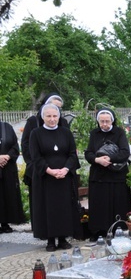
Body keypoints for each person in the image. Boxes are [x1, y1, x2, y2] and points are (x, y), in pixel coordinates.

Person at [28, 103, 80, 251]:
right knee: (48, 208)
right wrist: (49, 170)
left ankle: (63, 238)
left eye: (54, 116)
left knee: (63, 208)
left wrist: (65, 169)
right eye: (48, 116)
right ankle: (50, 240)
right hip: (46, 178)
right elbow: (35, 157)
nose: (52, 119)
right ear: (43, 117)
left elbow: (72, 154)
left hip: (64, 177)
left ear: (59, 117)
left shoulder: (66, 132)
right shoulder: (36, 134)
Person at [20, 93, 69, 228]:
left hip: (60, 169)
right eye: (52, 106)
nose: (55, 111)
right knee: (41, 201)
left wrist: (65, 167)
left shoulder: (63, 123)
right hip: (39, 167)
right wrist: (33, 163)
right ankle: (41, 229)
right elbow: (25, 144)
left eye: (58, 108)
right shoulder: (33, 122)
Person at [84, 108, 131, 240]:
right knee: (99, 204)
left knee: (117, 203)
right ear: (98, 121)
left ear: (112, 120)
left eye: (107, 121)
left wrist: (109, 159)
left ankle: (118, 230)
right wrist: (97, 160)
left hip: (116, 175)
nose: (104, 124)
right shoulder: (94, 133)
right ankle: (98, 231)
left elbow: (124, 152)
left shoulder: (119, 132)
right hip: (99, 174)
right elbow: (88, 152)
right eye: (102, 121)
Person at [0, 120, 25, 232]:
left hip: (7, 168)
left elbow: (15, 145)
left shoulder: (7, 127)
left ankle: (5, 223)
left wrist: (7, 156)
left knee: (7, 194)